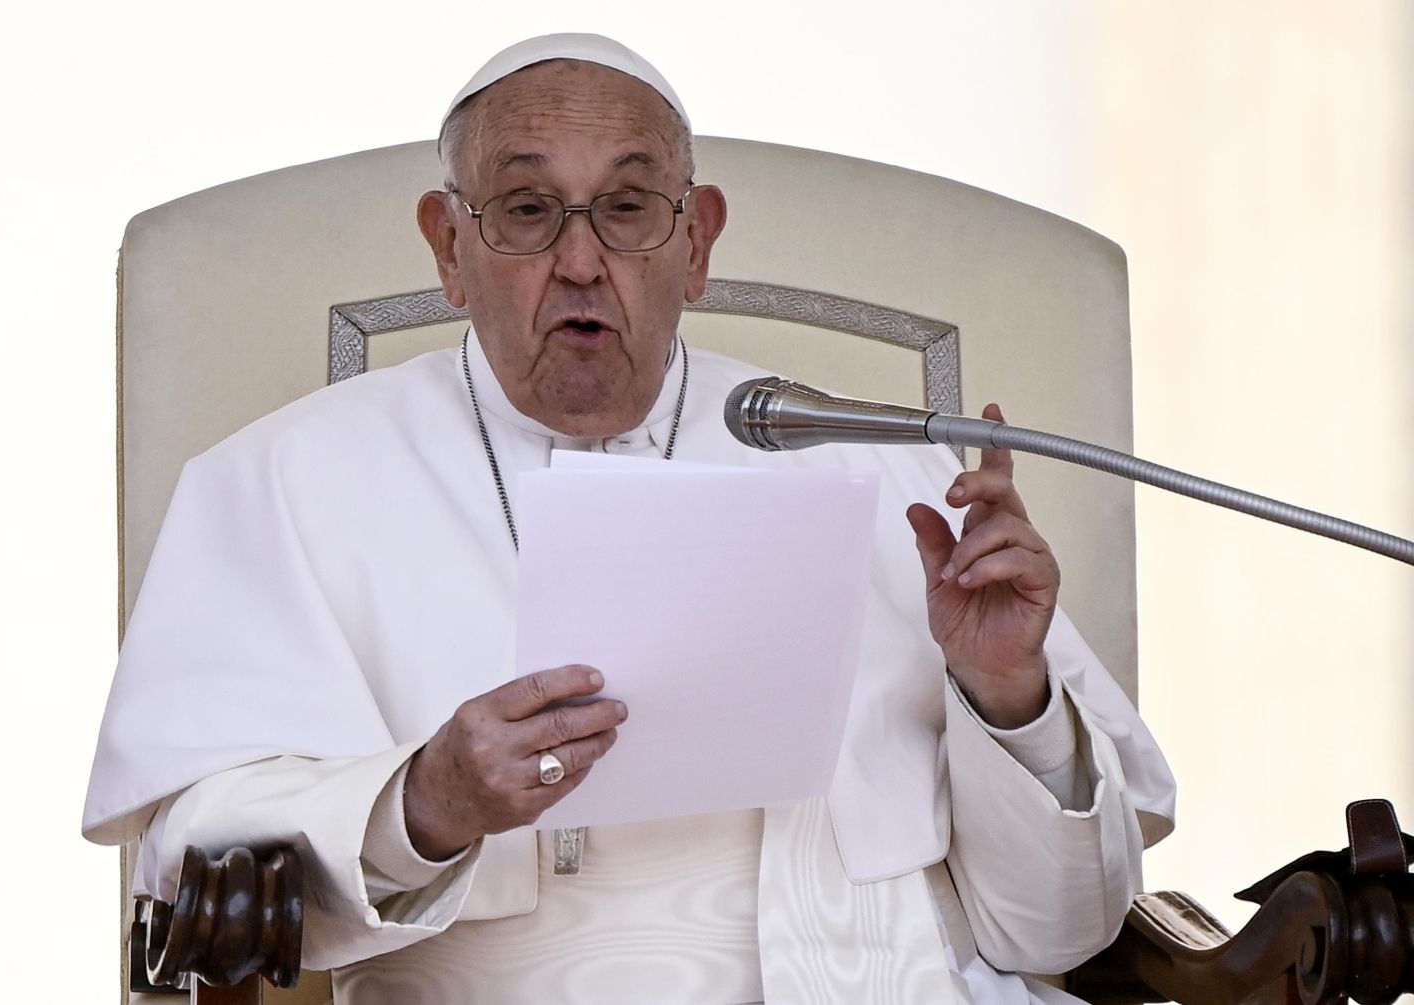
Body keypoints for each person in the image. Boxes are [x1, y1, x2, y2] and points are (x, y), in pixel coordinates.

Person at [83, 33, 1176, 1005]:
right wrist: (422, 802)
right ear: (446, 248)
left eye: (626, 208)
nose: (578, 259)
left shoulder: (881, 464)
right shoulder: (282, 480)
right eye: (523, 211)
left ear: (695, 242)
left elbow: (1057, 931)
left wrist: (1009, 700)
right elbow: (197, 867)